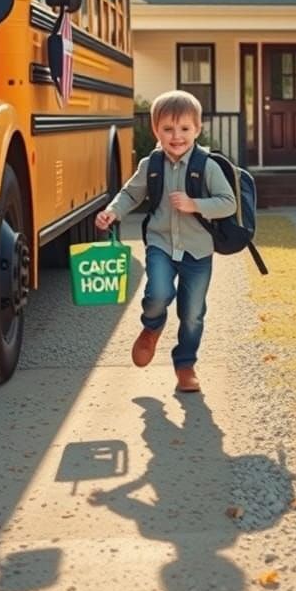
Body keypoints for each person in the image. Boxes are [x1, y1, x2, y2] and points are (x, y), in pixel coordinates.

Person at [95, 90, 237, 393]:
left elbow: (228, 203)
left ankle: (185, 365)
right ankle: (152, 326)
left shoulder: (207, 166)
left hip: (198, 252)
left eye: (185, 129)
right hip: (160, 244)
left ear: (197, 129)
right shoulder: (152, 164)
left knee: (193, 314)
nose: (177, 136)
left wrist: (195, 204)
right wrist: (112, 211)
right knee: (158, 294)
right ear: (156, 130)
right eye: (168, 129)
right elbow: (131, 194)